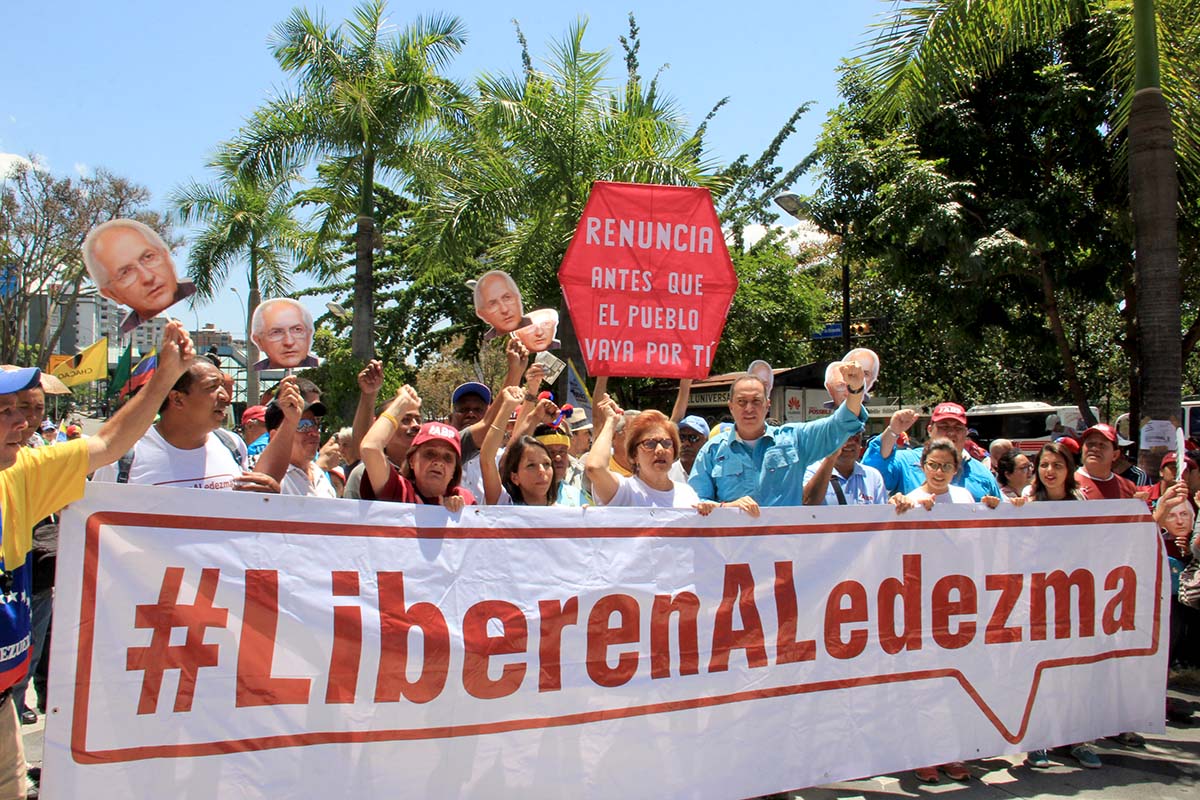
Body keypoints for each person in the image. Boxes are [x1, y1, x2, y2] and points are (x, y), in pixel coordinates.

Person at [0, 321, 196, 799]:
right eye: (3, 411)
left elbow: (108, 443)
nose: (22, 423)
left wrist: (165, 377)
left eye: (23, 410)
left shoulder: (21, 471)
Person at [1021, 440, 1105, 768]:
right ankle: (1038, 741)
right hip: (1036, 599)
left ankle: (1076, 739)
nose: (1050, 471)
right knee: (1040, 671)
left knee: (1074, 671)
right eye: (1044, 465)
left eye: (1057, 465)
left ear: (1068, 468)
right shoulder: (1026, 502)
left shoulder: (1079, 501)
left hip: (1073, 597)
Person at [691, 362, 868, 508]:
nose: (749, 408)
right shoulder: (712, 451)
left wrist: (856, 390)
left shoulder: (795, 439)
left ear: (767, 405)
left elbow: (841, 424)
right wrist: (725, 507)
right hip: (733, 549)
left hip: (786, 547)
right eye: (741, 402)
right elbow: (694, 502)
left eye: (756, 401)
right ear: (731, 407)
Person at [92, 362, 290, 492]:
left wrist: (267, 496)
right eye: (212, 387)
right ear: (177, 399)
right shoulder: (123, 457)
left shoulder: (232, 446)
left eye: (223, 386)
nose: (225, 397)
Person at [588, 396, 732, 512]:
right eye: (649, 444)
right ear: (634, 455)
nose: (660, 450)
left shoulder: (687, 494)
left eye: (667, 443)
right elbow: (594, 468)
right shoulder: (622, 491)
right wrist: (611, 421)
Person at [360, 386, 475, 510]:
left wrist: (458, 513)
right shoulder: (399, 491)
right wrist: (402, 402)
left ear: (454, 470)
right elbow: (370, 448)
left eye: (448, 458)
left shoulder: (464, 499)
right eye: (430, 454)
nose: (438, 463)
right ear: (412, 461)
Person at [865, 403, 1002, 501]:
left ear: (966, 433)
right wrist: (892, 431)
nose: (951, 433)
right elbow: (872, 474)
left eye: (958, 428)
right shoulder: (906, 461)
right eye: (944, 426)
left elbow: (1002, 516)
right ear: (929, 430)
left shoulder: (982, 472)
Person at [82, 219, 195, 333]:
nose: (147, 278)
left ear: (166, 256)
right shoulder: (122, 332)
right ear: (112, 294)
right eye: (126, 272)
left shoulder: (200, 289)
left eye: (148, 257)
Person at [891, 439, 1001, 511]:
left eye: (947, 466)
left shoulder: (964, 495)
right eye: (933, 465)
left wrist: (990, 509)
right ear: (923, 466)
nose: (939, 472)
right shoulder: (910, 501)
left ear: (955, 469)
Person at [266, 399, 337, 498]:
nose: (314, 432)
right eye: (303, 425)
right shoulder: (269, 477)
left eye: (315, 425)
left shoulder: (319, 474)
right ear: (275, 436)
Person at [802, 432, 888, 506]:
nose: (850, 442)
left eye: (856, 438)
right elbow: (807, 502)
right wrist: (831, 457)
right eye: (844, 437)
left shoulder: (873, 476)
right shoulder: (811, 471)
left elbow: (882, 517)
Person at [1074, 423, 1139, 500]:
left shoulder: (1128, 487)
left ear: (1115, 455)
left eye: (1102, 445)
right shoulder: (1066, 484)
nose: (1094, 448)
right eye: (1090, 444)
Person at [251, 298, 318, 370]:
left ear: (309, 334)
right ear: (258, 341)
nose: (289, 342)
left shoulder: (325, 370)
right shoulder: (252, 374)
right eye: (276, 332)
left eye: (297, 330)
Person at [474, 270, 530, 335]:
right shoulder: (489, 343)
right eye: (493, 304)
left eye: (507, 298)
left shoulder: (540, 324)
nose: (504, 310)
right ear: (482, 314)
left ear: (517, 298)